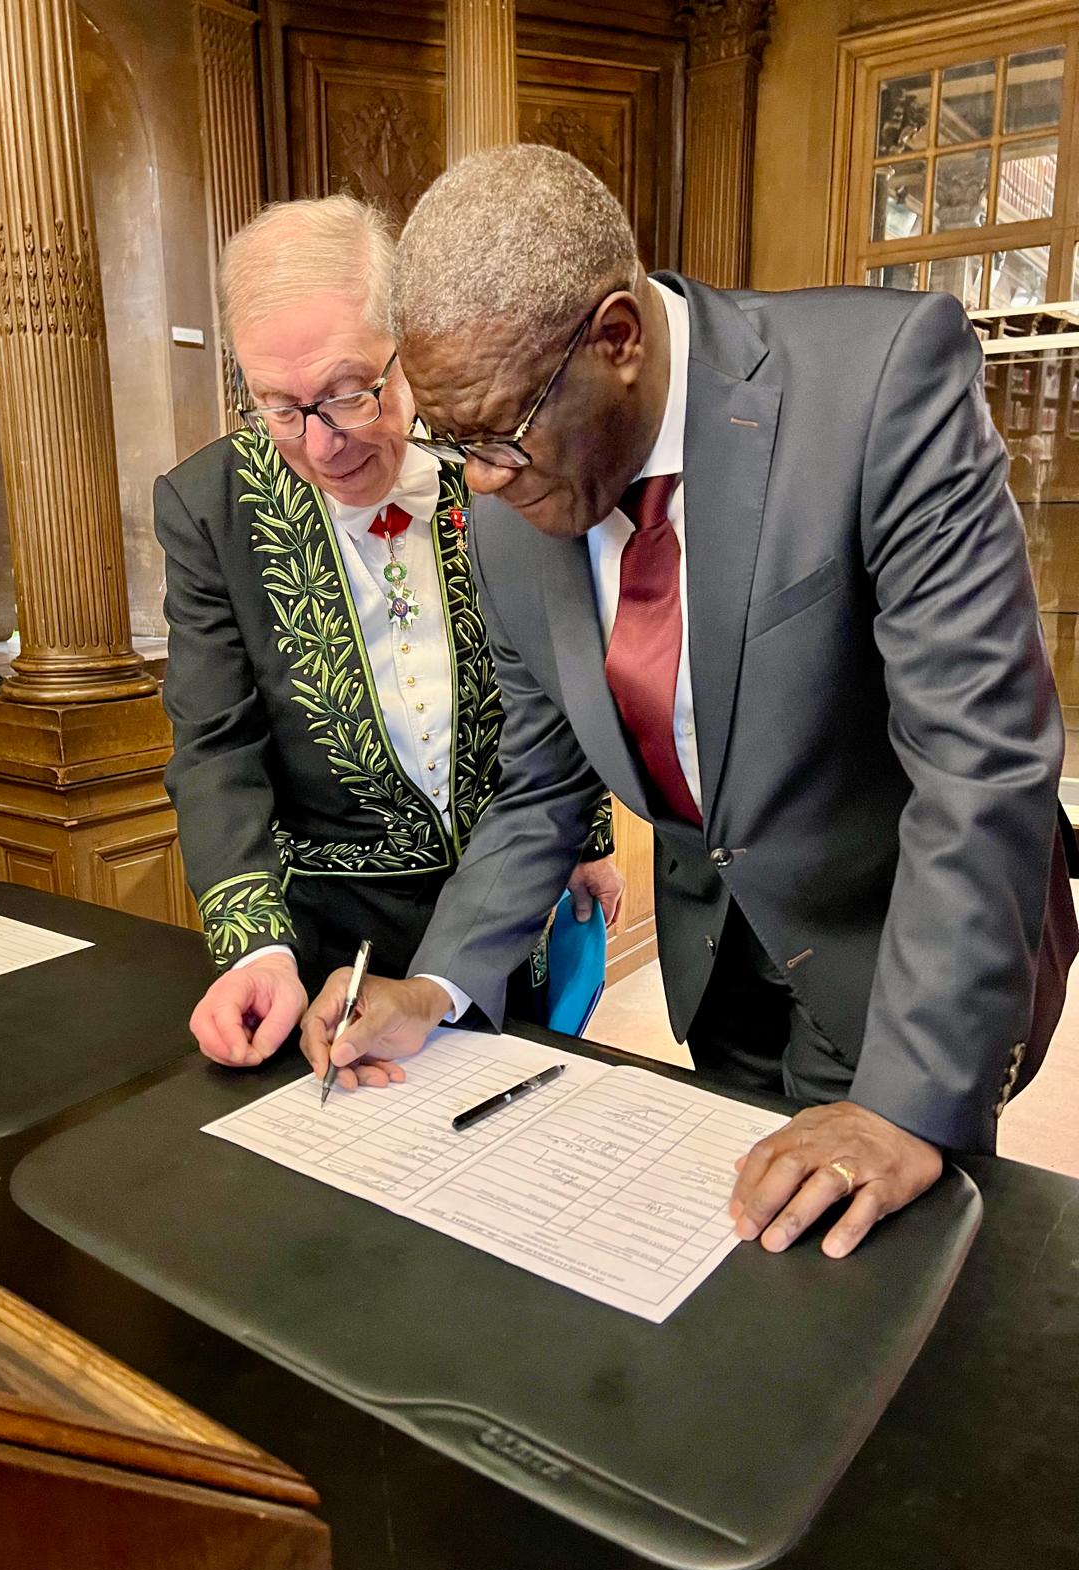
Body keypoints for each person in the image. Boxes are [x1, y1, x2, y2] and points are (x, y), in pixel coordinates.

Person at [300, 144, 1078, 1259]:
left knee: (881, 1299)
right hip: (718, 969)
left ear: (618, 340)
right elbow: (539, 785)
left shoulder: (875, 382)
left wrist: (908, 1101)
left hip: (903, 955)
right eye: (452, 440)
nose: (478, 479)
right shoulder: (511, 487)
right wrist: (434, 985)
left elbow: (981, 762)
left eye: (502, 436)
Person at [154, 193, 622, 1073]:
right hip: (332, 951)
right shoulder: (209, 508)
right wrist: (257, 949)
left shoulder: (492, 449)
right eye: (280, 408)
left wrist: (586, 841)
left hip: (503, 910)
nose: (321, 444)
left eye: (345, 395)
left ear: (406, 345)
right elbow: (216, 746)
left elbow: (559, 665)